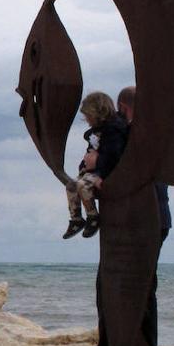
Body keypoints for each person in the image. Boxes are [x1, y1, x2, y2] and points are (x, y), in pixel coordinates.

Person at [74, 86, 170, 346]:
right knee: (131, 286)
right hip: (142, 222)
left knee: (127, 286)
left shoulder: (133, 138)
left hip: (140, 224)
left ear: (125, 109)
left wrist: (98, 164)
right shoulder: (141, 136)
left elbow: (124, 178)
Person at [63, 91, 129, 239]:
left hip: (105, 171)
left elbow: (113, 156)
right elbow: (91, 152)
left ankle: (93, 217)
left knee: (82, 185)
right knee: (71, 184)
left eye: (88, 117)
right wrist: (83, 167)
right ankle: (76, 218)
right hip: (93, 170)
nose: (86, 120)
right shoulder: (96, 132)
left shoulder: (114, 131)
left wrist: (99, 172)